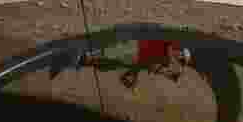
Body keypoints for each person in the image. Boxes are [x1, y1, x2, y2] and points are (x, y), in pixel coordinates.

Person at [52, 39, 192, 89]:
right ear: (180, 51)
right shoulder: (170, 46)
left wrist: (132, 75)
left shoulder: (165, 61)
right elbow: (166, 51)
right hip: (135, 48)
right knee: (106, 54)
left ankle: (74, 59)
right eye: (181, 57)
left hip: (132, 60)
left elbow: (148, 66)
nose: (178, 58)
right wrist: (169, 70)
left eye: (181, 60)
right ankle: (74, 54)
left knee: (103, 65)